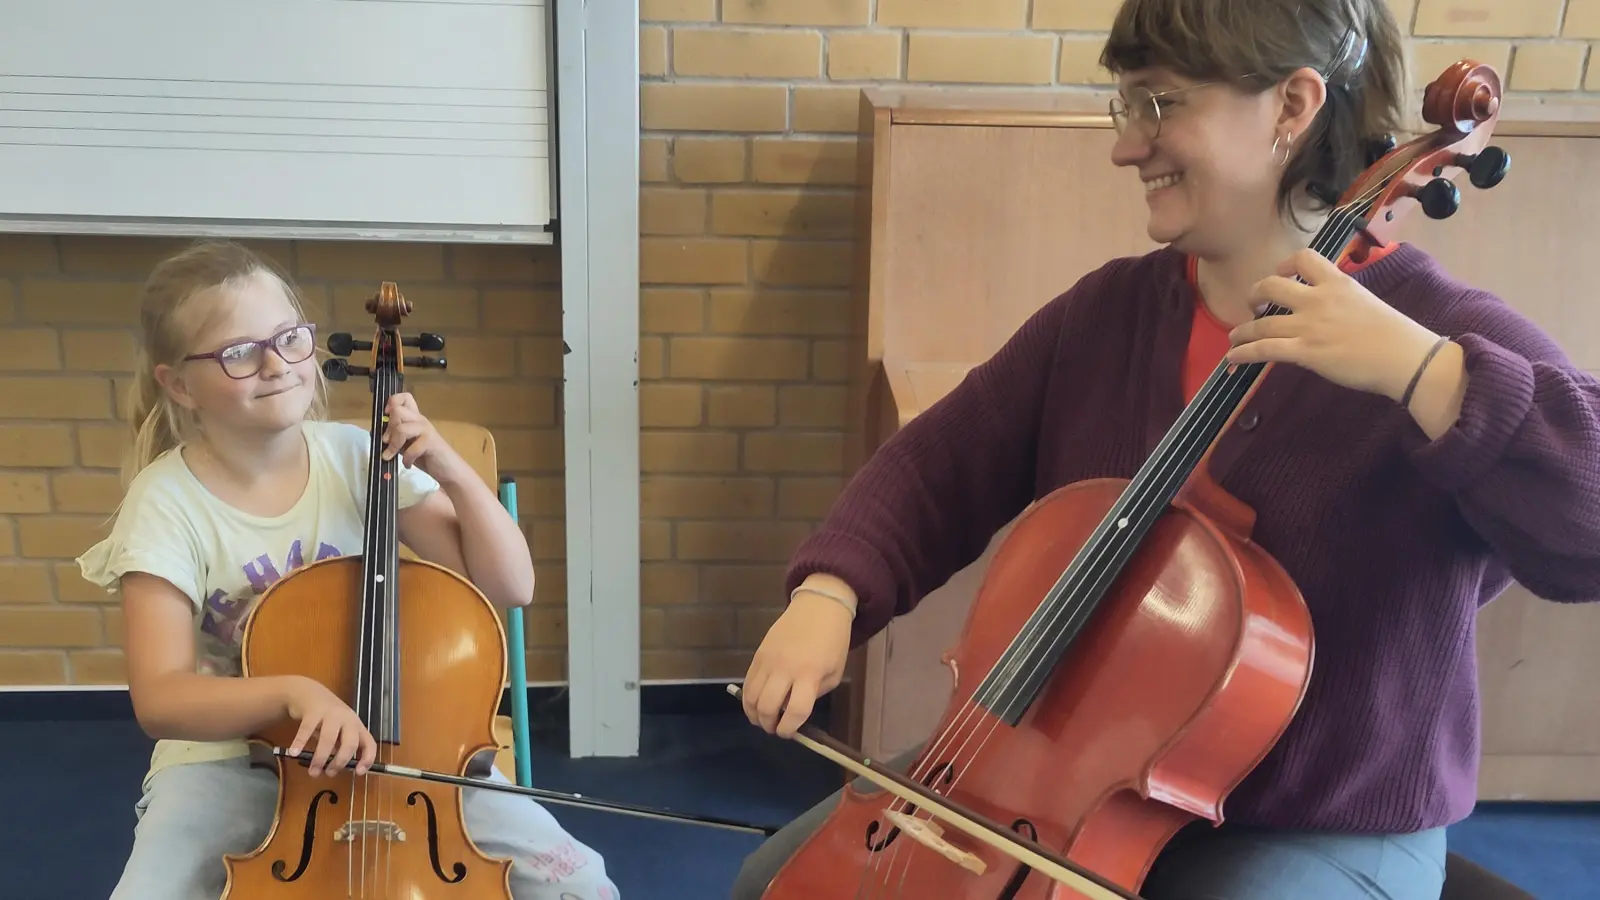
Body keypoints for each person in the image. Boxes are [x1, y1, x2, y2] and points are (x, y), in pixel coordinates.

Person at [733, 0, 1600, 898]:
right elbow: (940, 462)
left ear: (1292, 107)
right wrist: (830, 593)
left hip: (1322, 819)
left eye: (1158, 105)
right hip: (1068, 774)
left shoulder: (1439, 330)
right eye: (1127, 106)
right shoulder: (1109, 313)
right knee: (782, 878)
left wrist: (1430, 377)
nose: (1125, 146)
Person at [78, 240, 619, 900]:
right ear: (178, 383)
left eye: (290, 339)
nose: (276, 365)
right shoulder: (165, 503)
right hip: (237, 757)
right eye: (239, 352)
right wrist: (290, 694)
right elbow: (160, 698)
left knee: (581, 884)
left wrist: (447, 466)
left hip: (411, 744)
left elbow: (511, 586)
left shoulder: (355, 457)